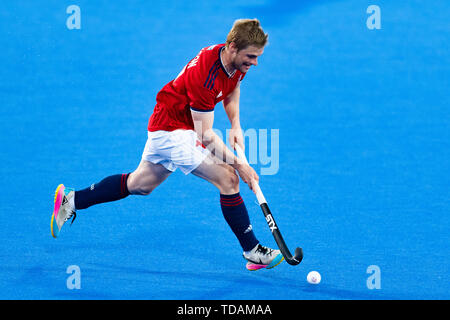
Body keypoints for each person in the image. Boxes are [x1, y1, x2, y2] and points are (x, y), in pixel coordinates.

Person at [51, 18, 284, 271]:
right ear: (232, 47)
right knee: (229, 178)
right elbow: (205, 135)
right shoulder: (205, 76)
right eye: (251, 56)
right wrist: (241, 166)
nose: (255, 63)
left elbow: (231, 88)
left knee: (140, 184)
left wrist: (236, 123)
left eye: (258, 56)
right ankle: (252, 250)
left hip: (171, 122)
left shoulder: (233, 60)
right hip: (172, 130)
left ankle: (71, 200)